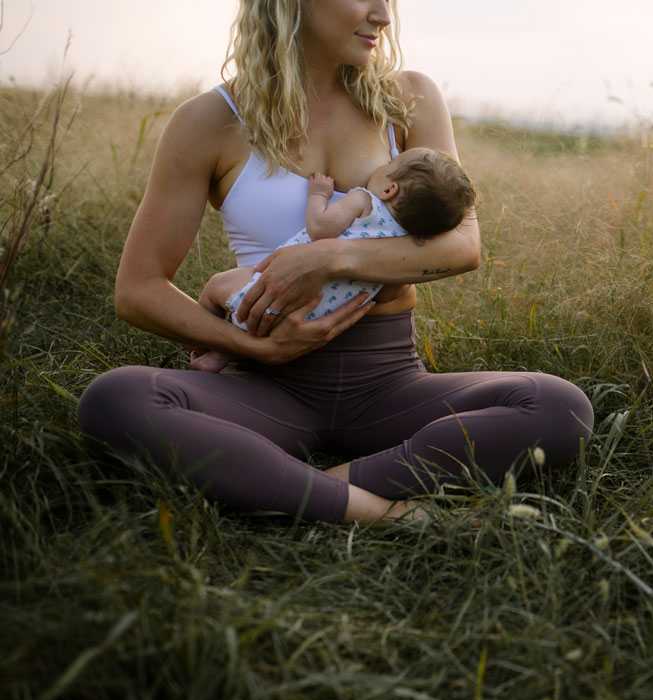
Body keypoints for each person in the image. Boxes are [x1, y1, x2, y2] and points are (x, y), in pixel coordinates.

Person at [76, 0, 594, 524]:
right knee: (114, 399)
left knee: (558, 405)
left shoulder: (408, 99)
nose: (383, 16)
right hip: (264, 384)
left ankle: (299, 488)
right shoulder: (209, 120)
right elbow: (138, 289)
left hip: (388, 383)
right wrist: (251, 345)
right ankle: (388, 513)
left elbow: (462, 246)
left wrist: (329, 257)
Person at [192, 146, 475, 373]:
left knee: (219, 285)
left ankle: (207, 345)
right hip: (317, 322)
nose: (380, 168)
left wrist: (318, 195)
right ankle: (218, 357)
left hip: (267, 295)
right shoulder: (405, 245)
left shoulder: (365, 201)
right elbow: (389, 294)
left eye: (388, 166)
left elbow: (320, 228)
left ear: (390, 189)